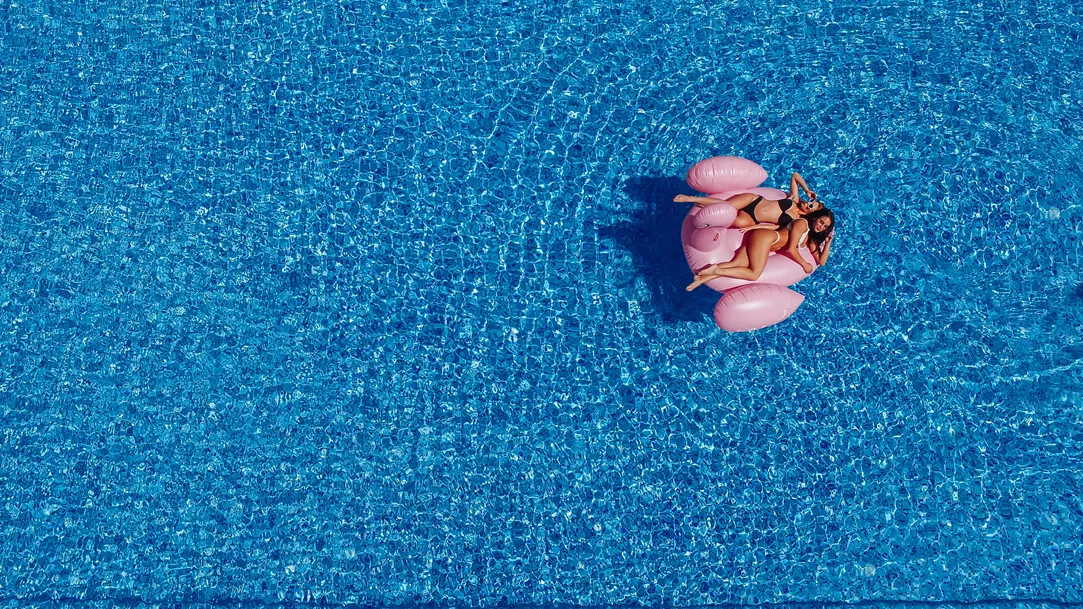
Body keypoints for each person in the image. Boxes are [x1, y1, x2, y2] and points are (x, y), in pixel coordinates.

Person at [686, 208, 835, 291]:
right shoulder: (802, 224)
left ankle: (704, 277)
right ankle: (716, 270)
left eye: (825, 226)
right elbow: (791, 248)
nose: (821, 226)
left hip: (763, 240)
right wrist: (804, 264)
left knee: (735, 264)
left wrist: (828, 242)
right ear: (815, 217)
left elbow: (821, 261)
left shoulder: (810, 238)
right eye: (821, 221)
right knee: (754, 274)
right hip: (767, 238)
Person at [673, 172, 821, 229]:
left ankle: (699, 206)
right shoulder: (794, 199)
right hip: (754, 201)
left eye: (813, 206)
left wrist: (752, 228)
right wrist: (807, 190)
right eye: (813, 202)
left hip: (752, 219)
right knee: (726, 206)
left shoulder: (796, 220)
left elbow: (774, 227)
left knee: (734, 221)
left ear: (811, 214)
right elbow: (795, 175)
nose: (810, 203)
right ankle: (691, 198)